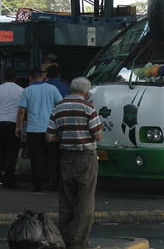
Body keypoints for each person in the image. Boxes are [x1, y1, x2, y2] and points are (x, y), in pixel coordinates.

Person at [47, 77, 103, 249]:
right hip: (86, 157)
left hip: (66, 157)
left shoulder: (58, 108)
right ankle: (78, 242)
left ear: (71, 89)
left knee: (67, 199)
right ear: (86, 92)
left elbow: (50, 137)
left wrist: (65, 135)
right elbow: (98, 135)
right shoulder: (88, 108)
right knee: (85, 200)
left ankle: (65, 238)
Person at [16, 68, 62, 192]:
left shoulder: (27, 91)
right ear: (42, 76)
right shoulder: (52, 89)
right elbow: (60, 106)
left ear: (30, 78)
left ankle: (38, 185)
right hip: (51, 129)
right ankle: (53, 183)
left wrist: (18, 127)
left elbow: (21, 111)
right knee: (52, 157)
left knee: (36, 158)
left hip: (33, 130)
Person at [0, 69, 23, 189]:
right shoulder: (21, 90)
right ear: (15, 78)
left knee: (3, 151)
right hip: (13, 124)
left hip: (0, 124)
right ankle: (9, 178)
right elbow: (22, 110)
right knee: (13, 153)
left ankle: (1, 173)